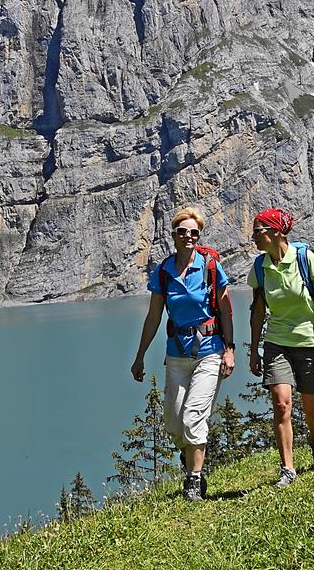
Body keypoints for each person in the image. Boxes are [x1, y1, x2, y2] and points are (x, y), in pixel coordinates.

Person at [131, 207, 235, 502]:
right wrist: (139, 356)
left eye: (194, 232)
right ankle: (190, 457)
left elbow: (225, 310)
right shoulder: (163, 272)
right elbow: (153, 317)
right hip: (176, 354)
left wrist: (230, 349)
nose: (189, 236)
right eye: (183, 231)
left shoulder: (210, 266)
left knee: (192, 417)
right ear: (173, 235)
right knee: (174, 423)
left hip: (209, 351)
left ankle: (194, 481)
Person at [247, 207, 314, 488]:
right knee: (281, 404)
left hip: (309, 341)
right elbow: (258, 312)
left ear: (275, 232)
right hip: (277, 343)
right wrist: (254, 350)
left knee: (313, 410)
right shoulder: (260, 268)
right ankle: (287, 468)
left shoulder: (304, 258)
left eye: (257, 231)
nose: (253, 237)